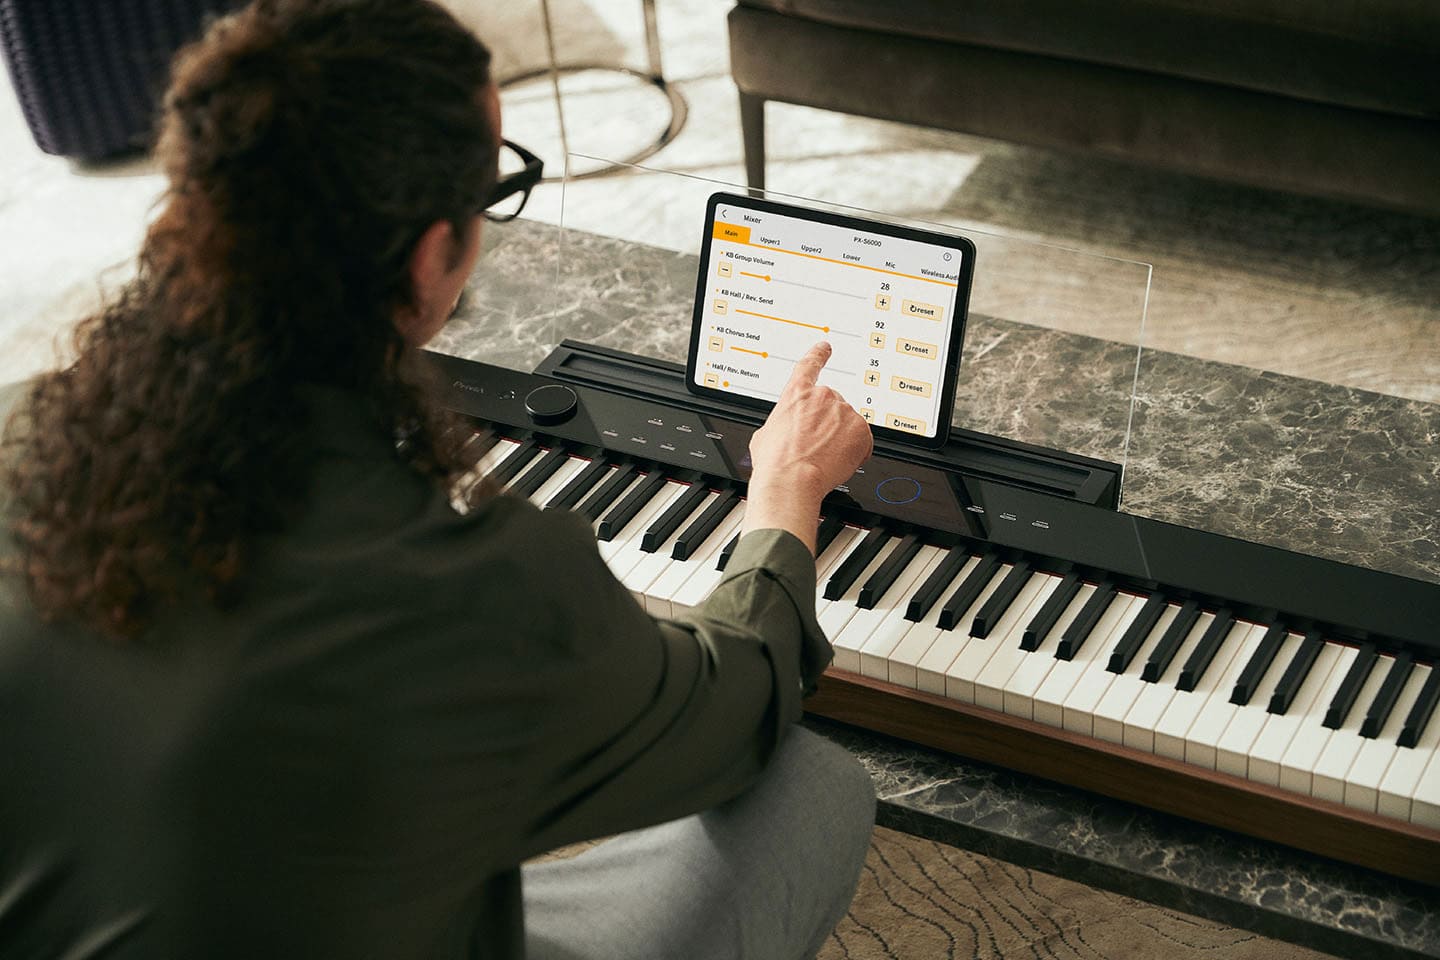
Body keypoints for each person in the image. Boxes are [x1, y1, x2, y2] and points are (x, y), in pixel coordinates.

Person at [0, 1, 877, 957]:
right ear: (431, 255)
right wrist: (785, 491)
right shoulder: (481, 589)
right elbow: (738, 705)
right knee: (817, 787)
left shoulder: (22, 430)